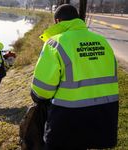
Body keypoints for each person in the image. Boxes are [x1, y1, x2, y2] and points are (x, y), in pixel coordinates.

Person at [30, 4, 119, 150]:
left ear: (57, 21)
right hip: (103, 116)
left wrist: (35, 96)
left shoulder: (55, 43)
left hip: (68, 119)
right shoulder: (103, 41)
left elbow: (42, 90)